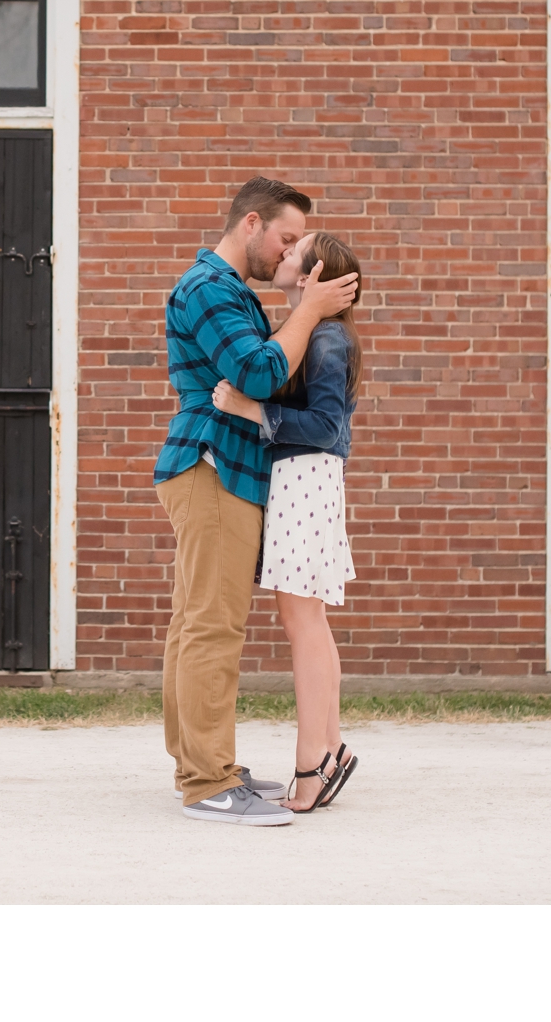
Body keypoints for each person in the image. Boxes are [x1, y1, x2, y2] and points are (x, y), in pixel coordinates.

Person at [152, 177, 357, 826]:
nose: (290, 250)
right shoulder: (210, 288)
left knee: (197, 622)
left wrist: (306, 312)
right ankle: (208, 780)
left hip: (230, 467)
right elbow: (260, 373)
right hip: (215, 463)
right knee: (212, 625)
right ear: (250, 224)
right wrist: (310, 309)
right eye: (287, 237)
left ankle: (206, 766)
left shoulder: (230, 292)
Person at [214, 232, 366, 813]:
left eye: (295, 249)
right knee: (312, 622)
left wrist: (253, 409)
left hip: (305, 479)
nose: (284, 253)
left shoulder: (325, 337)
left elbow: (327, 428)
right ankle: (331, 749)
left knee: (301, 624)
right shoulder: (320, 330)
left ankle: (310, 768)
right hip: (307, 483)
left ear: (311, 274)